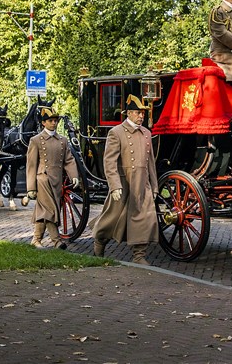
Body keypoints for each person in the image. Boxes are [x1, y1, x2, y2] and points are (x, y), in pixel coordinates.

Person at [91, 94, 159, 264]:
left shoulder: (146, 133)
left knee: (144, 218)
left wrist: (154, 186)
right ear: (128, 113)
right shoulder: (116, 132)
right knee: (112, 218)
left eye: (143, 113)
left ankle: (139, 255)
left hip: (142, 184)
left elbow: (150, 163)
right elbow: (109, 161)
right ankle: (100, 240)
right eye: (138, 113)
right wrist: (114, 186)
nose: (141, 116)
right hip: (124, 184)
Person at [24, 105, 80, 249]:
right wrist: (31, 188)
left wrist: (74, 175)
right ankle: (56, 241)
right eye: (50, 120)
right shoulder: (36, 140)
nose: (54, 123)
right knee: (50, 209)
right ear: (43, 123)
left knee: (45, 211)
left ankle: (36, 239)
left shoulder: (63, 140)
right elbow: (31, 165)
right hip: (43, 179)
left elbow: (69, 160)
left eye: (55, 120)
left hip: (57, 181)